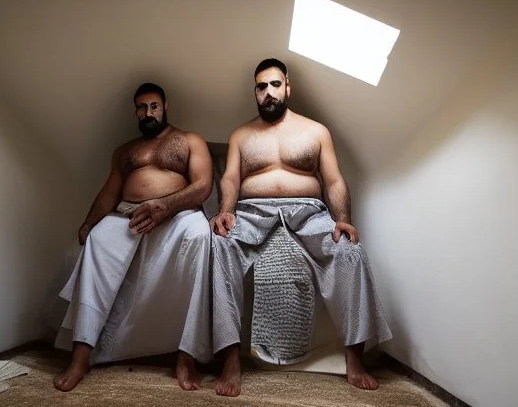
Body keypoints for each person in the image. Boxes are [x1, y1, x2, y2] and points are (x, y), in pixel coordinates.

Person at [209, 59, 392, 397]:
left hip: (309, 215)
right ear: (255, 92)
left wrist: (343, 219)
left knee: (349, 251)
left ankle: (355, 357)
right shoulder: (241, 134)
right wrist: (225, 211)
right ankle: (230, 359)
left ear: (288, 87)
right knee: (219, 245)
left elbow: (334, 180)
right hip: (252, 213)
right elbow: (231, 177)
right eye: (261, 87)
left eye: (274, 85)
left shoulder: (315, 131)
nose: (268, 93)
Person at [53, 83, 214, 392]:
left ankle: (186, 356)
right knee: (97, 240)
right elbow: (109, 192)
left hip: (176, 214)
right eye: (141, 107)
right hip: (127, 215)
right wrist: (89, 223)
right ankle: (81, 356)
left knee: (200, 236)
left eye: (153, 106)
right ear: (135, 111)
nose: (148, 112)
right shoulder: (125, 151)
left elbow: (203, 186)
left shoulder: (189, 140)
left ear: (166, 106)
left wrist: (165, 206)